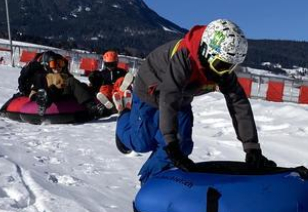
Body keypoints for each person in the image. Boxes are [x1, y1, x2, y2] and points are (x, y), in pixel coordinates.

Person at [115, 19, 276, 183]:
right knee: (141, 143)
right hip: (150, 90)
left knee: (183, 146)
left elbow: (238, 103)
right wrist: (171, 142)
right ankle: (124, 116)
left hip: (181, 97)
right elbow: (169, 95)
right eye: (221, 65)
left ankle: (152, 184)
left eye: (231, 66)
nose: (225, 73)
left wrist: (251, 148)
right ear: (207, 51)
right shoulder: (183, 58)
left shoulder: (221, 70)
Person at [16, 51, 103, 117]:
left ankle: (92, 106)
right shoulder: (40, 76)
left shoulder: (64, 75)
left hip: (63, 93)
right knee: (51, 89)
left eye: (60, 64)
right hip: (49, 94)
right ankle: (43, 101)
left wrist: (88, 88)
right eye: (54, 64)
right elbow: (34, 90)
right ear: (46, 65)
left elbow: (75, 85)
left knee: (73, 82)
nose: (58, 67)